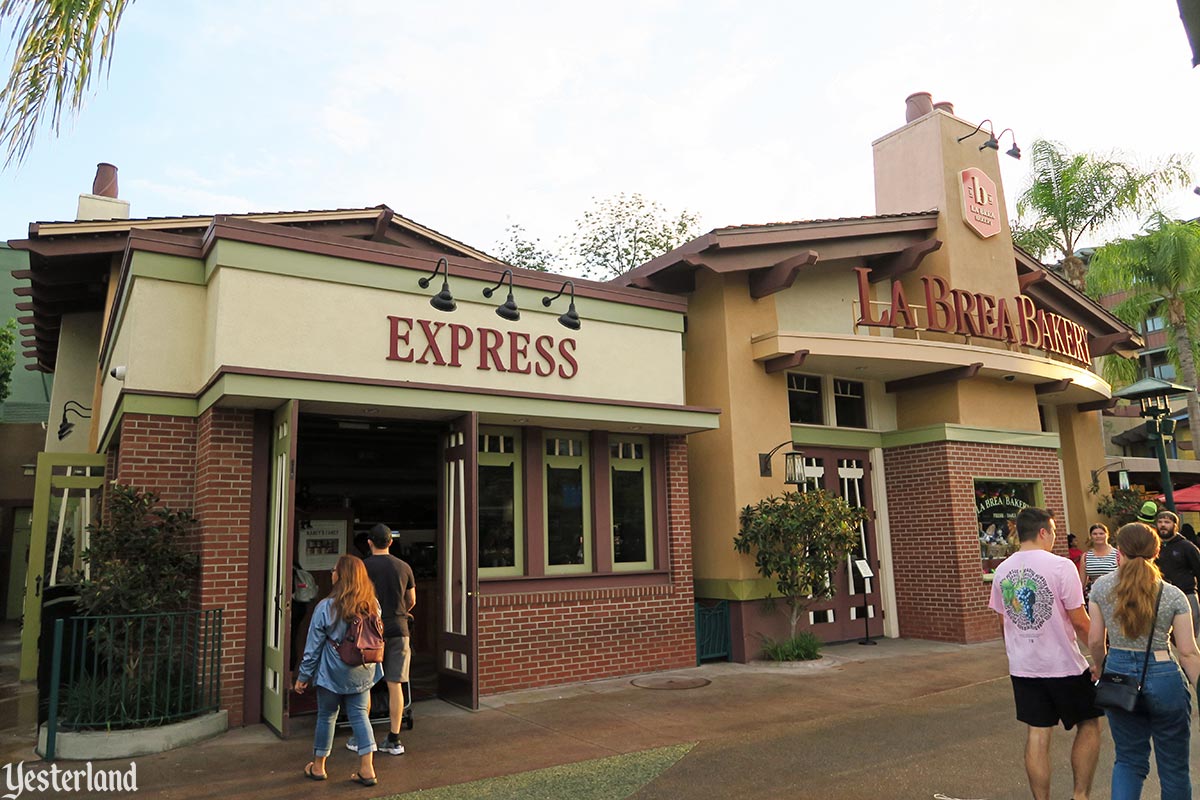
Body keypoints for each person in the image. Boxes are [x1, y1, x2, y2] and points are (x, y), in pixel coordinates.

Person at [988, 507, 1100, 800]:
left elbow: (1003, 622)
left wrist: (1016, 652)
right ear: (1042, 532)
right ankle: (1080, 795)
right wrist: (1101, 658)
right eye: (1052, 531)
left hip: (1024, 667)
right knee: (1089, 723)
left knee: (1037, 734)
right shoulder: (1061, 567)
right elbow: (1079, 620)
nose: (1053, 537)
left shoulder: (1001, 570)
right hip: (1064, 665)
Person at [1087, 522, 1200, 799]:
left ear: (1119, 551)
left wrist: (1100, 668)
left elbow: (1094, 641)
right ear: (1157, 551)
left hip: (1119, 675)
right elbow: (1187, 652)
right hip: (1164, 676)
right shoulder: (1172, 594)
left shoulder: (1101, 588)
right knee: (1174, 767)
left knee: (1128, 760)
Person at [294, 554, 384, 786]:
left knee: (327, 716)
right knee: (359, 714)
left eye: (335, 570)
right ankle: (367, 768)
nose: (332, 573)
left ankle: (318, 766)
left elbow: (312, 647)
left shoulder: (325, 607)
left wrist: (303, 676)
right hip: (363, 669)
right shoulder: (372, 604)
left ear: (342, 576)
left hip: (332, 672)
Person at [355, 523, 416, 757]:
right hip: (399, 628)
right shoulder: (404, 567)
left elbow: (357, 598)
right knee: (395, 684)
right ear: (391, 542)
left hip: (371, 631)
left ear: (369, 543)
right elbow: (411, 600)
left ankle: (363, 736)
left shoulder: (363, 567)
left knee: (367, 683)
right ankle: (394, 738)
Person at [1148, 505, 1200, 638]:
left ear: (1175, 525)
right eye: (1160, 522)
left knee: (1190, 634)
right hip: (1160, 596)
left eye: (1167, 522)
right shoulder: (1153, 547)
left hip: (1187, 594)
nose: (1163, 525)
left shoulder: (1187, 547)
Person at [1079, 523, 1119, 601]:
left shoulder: (1117, 554)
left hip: (1113, 595)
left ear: (1107, 535)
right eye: (1095, 534)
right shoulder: (1086, 556)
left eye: (1101, 533)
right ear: (1091, 536)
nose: (1098, 536)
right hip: (1093, 595)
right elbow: (1082, 582)